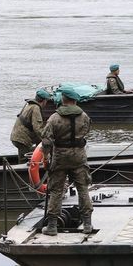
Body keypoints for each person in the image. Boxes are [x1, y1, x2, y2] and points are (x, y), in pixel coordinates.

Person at [40, 86, 93, 236]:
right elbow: (86, 131)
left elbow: (46, 141)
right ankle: (87, 224)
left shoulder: (54, 118)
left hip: (60, 157)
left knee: (56, 190)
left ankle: (52, 226)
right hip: (79, 156)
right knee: (83, 188)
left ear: (62, 100)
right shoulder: (84, 116)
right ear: (75, 100)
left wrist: (45, 158)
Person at [9, 89, 51, 163]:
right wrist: (46, 140)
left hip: (17, 137)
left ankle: (20, 170)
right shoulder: (36, 108)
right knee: (30, 158)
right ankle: (24, 173)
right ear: (44, 101)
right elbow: (37, 128)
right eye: (46, 101)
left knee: (22, 158)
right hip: (22, 139)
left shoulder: (30, 105)